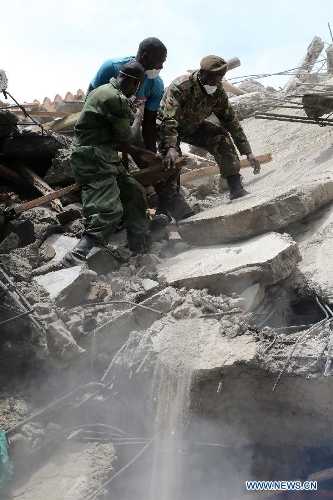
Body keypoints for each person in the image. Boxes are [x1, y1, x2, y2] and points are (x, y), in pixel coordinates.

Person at [61, 61, 161, 268]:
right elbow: (127, 137)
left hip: (105, 155)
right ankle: (77, 254)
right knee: (107, 208)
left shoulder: (106, 91)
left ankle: (138, 243)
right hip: (91, 158)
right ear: (134, 81)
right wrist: (137, 120)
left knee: (134, 192)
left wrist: (142, 153)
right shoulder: (114, 98)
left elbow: (113, 139)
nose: (136, 91)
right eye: (138, 86)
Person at [156, 55, 261, 220]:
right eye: (211, 80)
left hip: (193, 127)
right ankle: (166, 209)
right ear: (201, 73)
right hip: (168, 128)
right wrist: (170, 147)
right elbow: (169, 120)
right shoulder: (181, 86)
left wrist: (247, 152)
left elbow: (230, 120)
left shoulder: (217, 91)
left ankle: (236, 188)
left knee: (220, 136)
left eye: (218, 81)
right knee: (171, 161)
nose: (214, 84)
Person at [87, 37, 170, 228]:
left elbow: (149, 123)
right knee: (105, 168)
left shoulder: (155, 83)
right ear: (145, 56)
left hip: (130, 127)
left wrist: (152, 154)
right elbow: (91, 99)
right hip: (103, 126)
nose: (161, 67)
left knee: (151, 160)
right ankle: (110, 217)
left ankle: (168, 207)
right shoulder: (112, 67)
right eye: (160, 62)